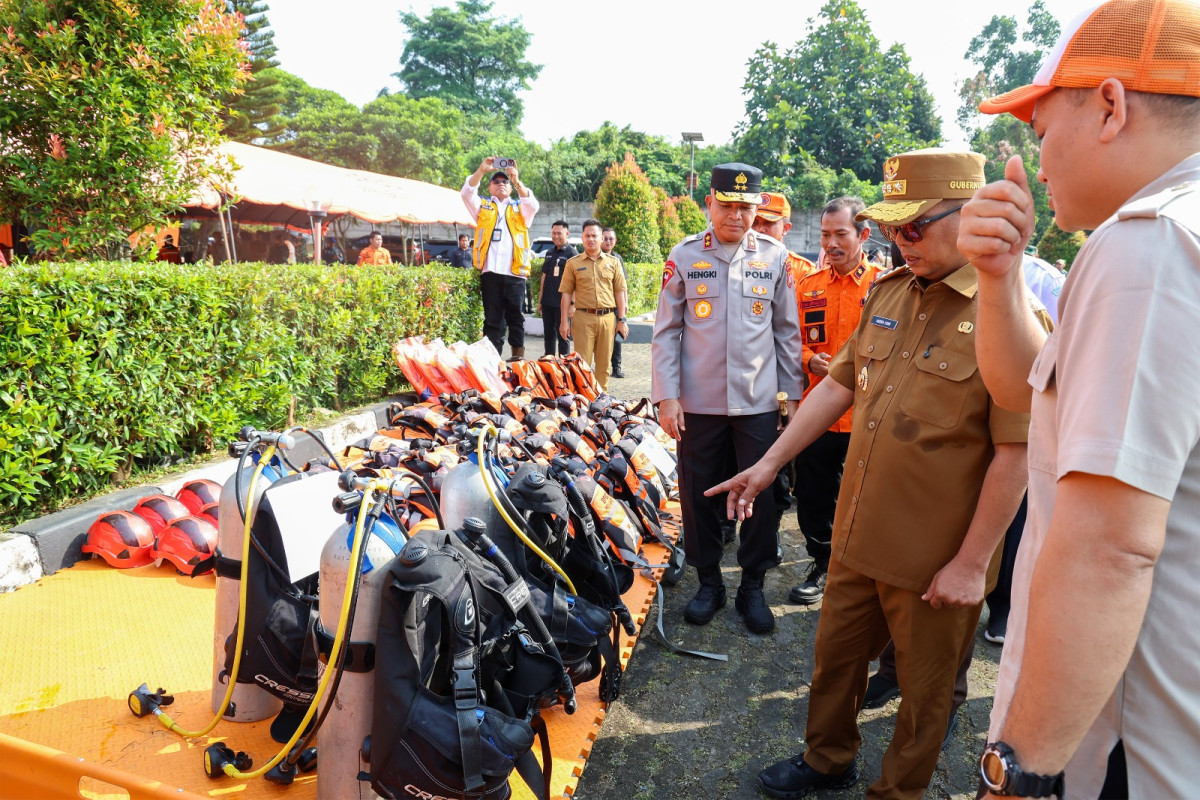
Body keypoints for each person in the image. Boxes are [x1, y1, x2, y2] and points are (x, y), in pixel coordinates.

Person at [708, 150, 1034, 798]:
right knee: (833, 666)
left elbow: (1016, 454)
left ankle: (898, 790)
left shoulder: (1008, 319)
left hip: (935, 561)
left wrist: (972, 564)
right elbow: (838, 386)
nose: (898, 241)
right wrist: (769, 464)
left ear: (968, 216)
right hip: (859, 540)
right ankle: (827, 761)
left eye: (913, 227)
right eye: (891, 228)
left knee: (925, 694)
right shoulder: (889, 294)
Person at [958, 1, 1200, 796]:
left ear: (1109, 106)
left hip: (1123, 748)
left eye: (1040, 130)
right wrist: (1000, 279)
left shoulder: (1149, 244)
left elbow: (1107, 550)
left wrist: (1015, 775)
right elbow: (1030, 394)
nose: (1038, 157)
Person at [651, 163, 804, 635]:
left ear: (757, 209)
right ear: (709, 203)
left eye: (746, 207)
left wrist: (792, 397)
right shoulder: (685, 255)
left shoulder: (775, 258)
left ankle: (752, 586)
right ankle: (709, 582)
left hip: (758, 403)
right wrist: (666, 398)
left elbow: (786, 332)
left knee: (760, 497)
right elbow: (666, 332)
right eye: (728, 205)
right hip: (698, 405)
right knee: (697, 498)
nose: (736, 215)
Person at [783, 196, 879, 606]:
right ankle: (822, 562)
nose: (832, 242)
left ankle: (862, 572)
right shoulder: (808, 287)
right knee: (815, 497)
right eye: (825, 234)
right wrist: (810, 359)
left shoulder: (884, 286)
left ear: (863, 235)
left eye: (841, 233)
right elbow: (790, 344)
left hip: (869, 417)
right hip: (817, 414)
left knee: (865, 500)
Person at [460, 156, 540, 359]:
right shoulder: (483, 206)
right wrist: (481, 170)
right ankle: (492, 359)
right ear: (490, 187)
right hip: (491, 273)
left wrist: (517, 181)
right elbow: (467, 193)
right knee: (492, 319)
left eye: (504, 182)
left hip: (515, 273)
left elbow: (533, 204)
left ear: (510, 187)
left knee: (515, 317)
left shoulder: (520, 208)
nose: (501, 184)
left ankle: (517, 358)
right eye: (496, 181)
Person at [558, 219, 628, 390]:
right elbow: (566, 293)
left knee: (604, 366)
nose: (591, 239)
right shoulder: (573, 263)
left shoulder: (614, 263)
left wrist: (622, 320)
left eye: (594, 236)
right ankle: (583, 401)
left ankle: (602, 401)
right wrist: (564, 322)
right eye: (587, 235)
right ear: (582, 238)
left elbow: (620, 292)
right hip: (583, 318)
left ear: (601, 238)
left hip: (607, 320)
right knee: (582, 365)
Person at [539, 220, 574, 357]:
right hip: (548, 302)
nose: (556, 236)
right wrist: (540, 301)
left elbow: (576, 283)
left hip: (563, 303)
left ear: (567, 233)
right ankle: (549, 363)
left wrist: (573, 304)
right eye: (553, 233)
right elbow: (544, 277)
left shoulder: (572, 254)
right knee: (548, 334)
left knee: (563, 335)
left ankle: (564, 365)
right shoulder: (549, 252)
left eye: (559, 233)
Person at [601, 227, 629, 378]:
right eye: (605, 238)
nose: (608, 241)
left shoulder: (618, 258)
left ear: (615, 241)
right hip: (601, 305)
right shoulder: (595, 257)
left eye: (611, 239)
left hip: (616, 304)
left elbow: (623, 284)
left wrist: (625, 303)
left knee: (617, 338)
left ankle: (616, 367)